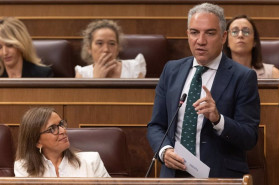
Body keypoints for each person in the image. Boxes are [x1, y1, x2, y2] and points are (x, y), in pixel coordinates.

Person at [147, 3, 260, 178]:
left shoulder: (243, 77)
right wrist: (164, 151)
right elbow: (156, 126)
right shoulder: (171, 70)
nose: (200, 41)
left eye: (210, 33)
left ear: (223, 37)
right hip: (174, 175)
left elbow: (249, 137)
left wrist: (218, 119)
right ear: (187, 35)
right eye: (194, 32)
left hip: (219, 176)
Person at [14, 107, 110, 177]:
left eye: (61, 124)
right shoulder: (24, 168)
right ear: (37, 142)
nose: (63, 131)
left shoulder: (91, 161)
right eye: (52, 129)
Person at [75, 19, 146, 78]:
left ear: (118, 49)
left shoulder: (134, 68)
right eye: (99, 43)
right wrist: (97, 80)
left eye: (112, 44)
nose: (106, 49)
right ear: (89, 48)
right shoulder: (82, 74)